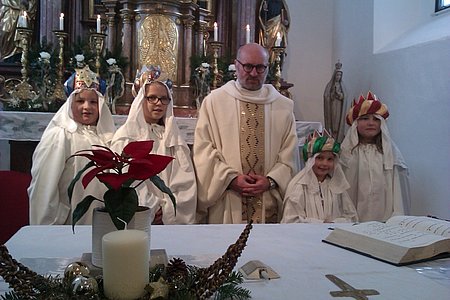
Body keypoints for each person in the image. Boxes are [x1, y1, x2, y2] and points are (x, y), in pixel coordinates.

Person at [193, 43, 299, 224]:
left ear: (267, 68)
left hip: (268, 200)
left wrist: (271, 181)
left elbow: (290, 154)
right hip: (228, 198)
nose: (253, 73)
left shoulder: (283, 106)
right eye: (248, 66)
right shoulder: (214, 101)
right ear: (237, 65)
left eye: (260, 67)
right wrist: (230, 179)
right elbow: (203, 150)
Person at [28, 67, 116, 225]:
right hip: (68, 222)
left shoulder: (106, 137)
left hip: (103, 220)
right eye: (80, 101)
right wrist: (49, 224)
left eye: (93, 102)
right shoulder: (60, 136)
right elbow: (44, 185)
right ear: (70, 103)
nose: (87, 107)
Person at [111, 68, 197, 225]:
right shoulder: (126, 137)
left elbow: (186, 182)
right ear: (140, 101)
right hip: (138, 219)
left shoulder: (174, 139)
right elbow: (123, 178)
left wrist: (169, 210)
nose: (159, 103)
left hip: (170, 221)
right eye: (152, 98)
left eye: (164, 98)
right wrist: (151, 207)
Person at [340, 91, 410, 222]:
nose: (371, 123)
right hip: (354, 219)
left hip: (384, 219)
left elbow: (398, 192)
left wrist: (397, 219)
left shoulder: (390, 153)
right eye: (365, 119)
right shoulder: (347, 153)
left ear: (382, 124)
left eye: (376, 119)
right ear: (355, 123)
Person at [281, 130, 358, 223]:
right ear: (310, 160)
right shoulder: (299, 186)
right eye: (319, 158)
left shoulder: (336, 185)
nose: (325, 163)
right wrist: (321, 225)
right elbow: (291, 220)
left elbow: (351, 216)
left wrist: (335, 223)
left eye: (330, 159)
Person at [323, 61, 347, 142]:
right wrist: (333, 94)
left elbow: (344, 96)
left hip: (339, 106)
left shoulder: (342, 86)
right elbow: (326, 95)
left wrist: (339, 94)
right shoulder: (330, 85)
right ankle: (331, 138)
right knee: (333, 124)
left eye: (340, 75)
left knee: (338, 123)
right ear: (334, 75)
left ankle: (338, 139)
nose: (338, 76)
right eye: (337, 75)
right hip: (332, 106)